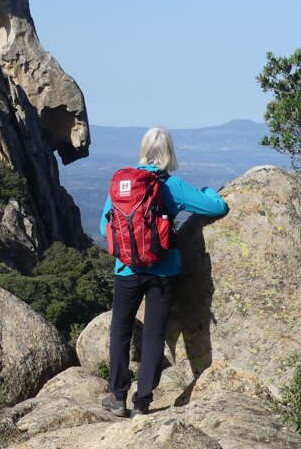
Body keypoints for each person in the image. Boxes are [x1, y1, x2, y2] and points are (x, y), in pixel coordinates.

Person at [99, 127, 228, 417]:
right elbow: (216, 207)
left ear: (143, 150)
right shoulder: (172, 185)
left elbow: (103, 228)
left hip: (126, 269)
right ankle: (142, 403)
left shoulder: (123, 184)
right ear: (169, 153)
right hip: (163, 271)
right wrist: (209, 191)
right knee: (154, 333)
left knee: (120, 329)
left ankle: (117, 396)